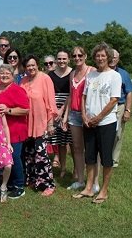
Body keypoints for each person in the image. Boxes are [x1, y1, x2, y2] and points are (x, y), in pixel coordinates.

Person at [74, 43, 121, 204]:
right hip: (89, 123)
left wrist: (99, 117)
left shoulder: (114, 76)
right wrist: (84, 116)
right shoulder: (91, 75)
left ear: (108, 57)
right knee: (90, 157)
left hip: (106, 123)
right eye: (97, 56)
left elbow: (114, 99)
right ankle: (88, 188)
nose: (100, 58)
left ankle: (104, 191)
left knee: (106, 158)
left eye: (103, 55)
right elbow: (83, 96)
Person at [20, 55, 57, 196]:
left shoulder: (45, 78)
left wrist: (50, 123)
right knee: (29, 154)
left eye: (33, 65)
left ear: (37, 65)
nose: (31, 68)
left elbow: (50, 102)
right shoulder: (23, 80)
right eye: (28, 66)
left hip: (41, 123)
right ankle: (33, 179)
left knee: (42, 155)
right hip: (26, 123)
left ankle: (48, 184)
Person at [62, 46, 96, 191]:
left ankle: (94, 182)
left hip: (87, 114)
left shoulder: (92, 71)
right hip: (74, 115)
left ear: (85, 56)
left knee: (92, 149)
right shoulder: (72, 73)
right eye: (74, 55)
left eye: (80, 55)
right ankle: (81, 180)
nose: (77, 58)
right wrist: (65, 116)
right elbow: (70, 95)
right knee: (76, 148)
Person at [0, 64, 30, 199]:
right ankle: (8, 183)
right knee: (4, 159)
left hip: (15, 129)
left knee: (14, 157)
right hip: (0, 131)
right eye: (2, 73)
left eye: (7, 74)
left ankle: (19, 185)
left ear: (12, 76)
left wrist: (8, 110)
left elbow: (26, 109)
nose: (4, 76)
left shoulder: (17, 90)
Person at [47, 50, 73, 178]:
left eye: (64, 59)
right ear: (56, 60)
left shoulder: (73, 73)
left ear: (68, 60)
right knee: (60, 141)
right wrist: (54, 110)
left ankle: (76, 170)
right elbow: (49, 93)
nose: (62, 61)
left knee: (72, 142)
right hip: (54, 109)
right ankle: (62, 168)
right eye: (59, 59)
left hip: (69, 107)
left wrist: (62, 109)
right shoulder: (51, 74)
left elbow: (72, 93)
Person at [110, 49, 132, 167]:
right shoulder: (102, 72)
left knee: (117, 134)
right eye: (111, 56)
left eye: (115, 57)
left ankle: (114, 159)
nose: (113, 59)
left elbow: (129, 92)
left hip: (119, 106)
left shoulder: (124, 74)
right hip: (105, 107)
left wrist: (127, 110)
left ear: (118, 59)